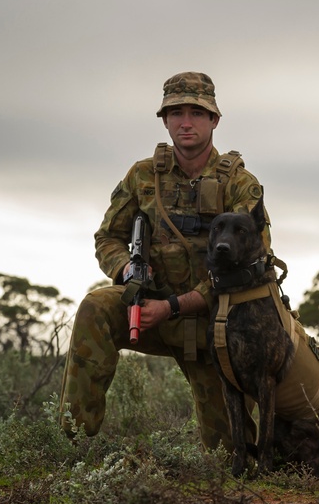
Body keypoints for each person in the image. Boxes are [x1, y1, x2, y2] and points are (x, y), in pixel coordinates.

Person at [59, 71, 265, 450]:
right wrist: (126, 268)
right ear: (165, 119)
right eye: (175, 113)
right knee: (97, 306)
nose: (185, 122)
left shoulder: (239, 184)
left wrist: (174, 306)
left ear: (214, 120)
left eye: (196, 113)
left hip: (213, 326)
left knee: (230, 457)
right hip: (147, 310)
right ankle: (72, 443)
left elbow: (254, 266)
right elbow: (108, 237)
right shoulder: (142, 176)